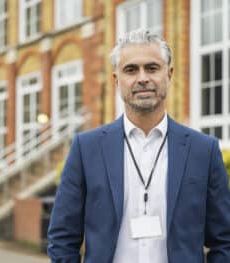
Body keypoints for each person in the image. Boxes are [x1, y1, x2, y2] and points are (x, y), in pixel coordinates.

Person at [47, 29, 230, 263]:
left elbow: (223, 240)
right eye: (131, 70)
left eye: (152, 68)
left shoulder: (204, 150)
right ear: (116, 80)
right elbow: (63, 238)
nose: (142, 78)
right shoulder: (86, 149)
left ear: (169, 74)